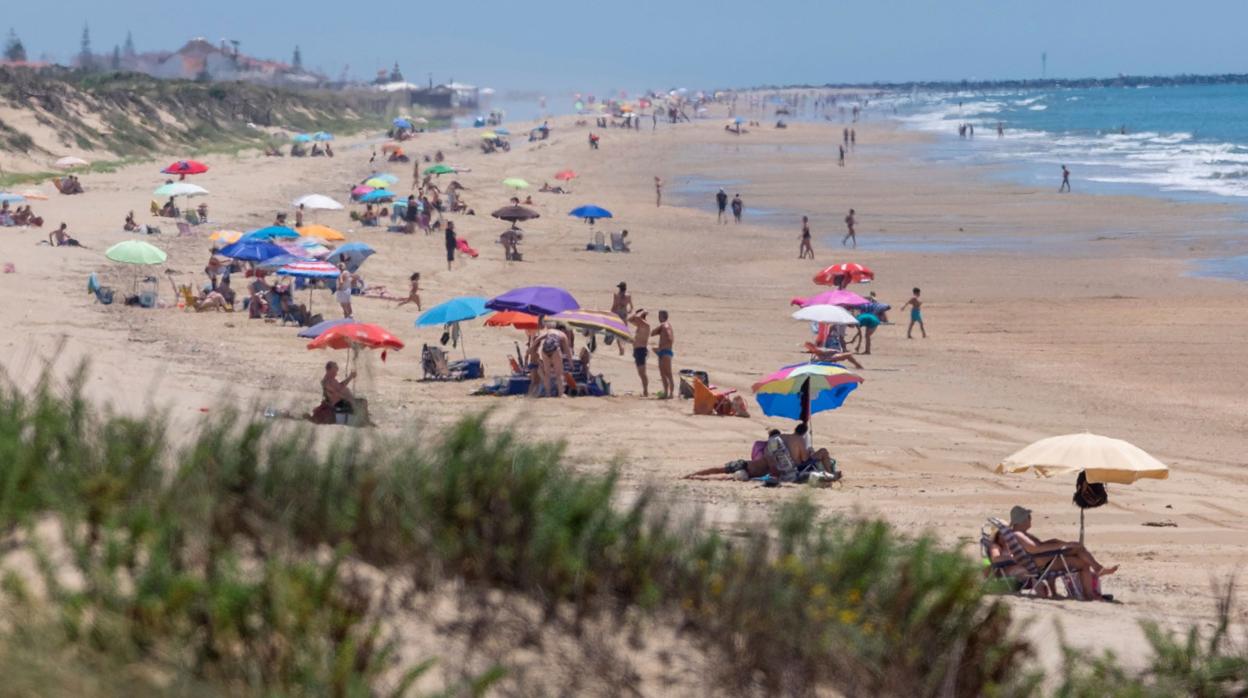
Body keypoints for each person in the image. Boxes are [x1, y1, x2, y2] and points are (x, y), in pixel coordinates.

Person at [999, 506, 1116, 601]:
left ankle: (1095, 579)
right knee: (1081, 557)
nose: (1030, 519)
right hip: (1044, 564)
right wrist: (1060, 545)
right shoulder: (1019, 534)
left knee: (1079, 553)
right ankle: (1093, 583)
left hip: (1044, 561)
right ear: (1023, 519)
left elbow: (1036, 548)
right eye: (1029, 517)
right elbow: (1035, 549)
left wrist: (1058, 543)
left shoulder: (1019, 533)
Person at [652, 310, 675, 399]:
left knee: (668, 373)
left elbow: (669, 338)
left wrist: (664, 346)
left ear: (663, 316)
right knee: (662, 374)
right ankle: (666, 392)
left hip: (665, 351)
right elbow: (653, 333)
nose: (658, 318)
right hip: (662, 352)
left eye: (659, 316)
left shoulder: (665, 325)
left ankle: (671, 393)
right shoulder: (663, 326)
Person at [629, 309, 651, 397]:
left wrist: (642, 312)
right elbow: (629, 319)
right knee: (640, 372)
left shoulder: (646, 325)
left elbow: (636, 318)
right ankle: (645, 391)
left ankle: (646, 391)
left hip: (641, 350)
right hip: (637, 351)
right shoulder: (639, 325)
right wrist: (636, 313)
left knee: (642, 372)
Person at [611, 282, 633, 356]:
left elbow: (614, 306)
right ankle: (623, 346)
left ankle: (621, 348)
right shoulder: (628, 296)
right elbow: (631, 306)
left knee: (617, 332)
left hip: (617, 315)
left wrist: (610, 314)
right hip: (624, 315)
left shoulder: (616, 295)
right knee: (624, 332)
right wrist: (629, 311)